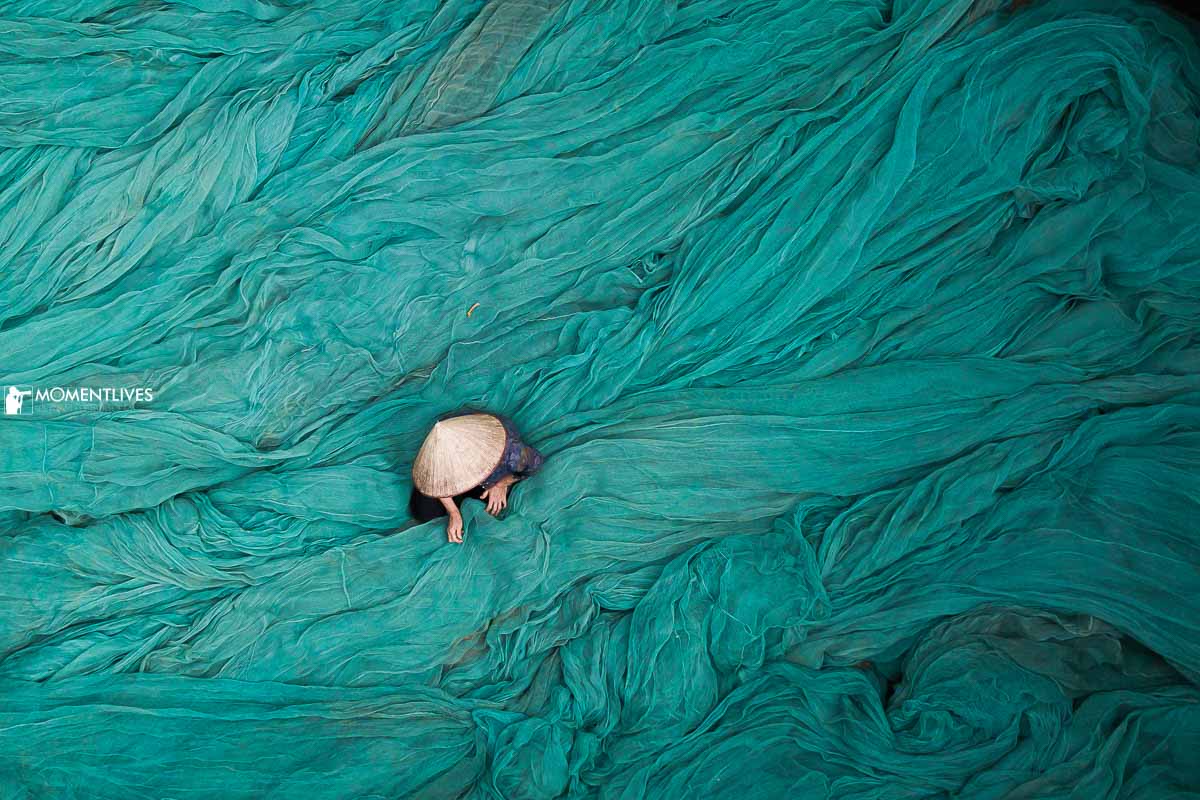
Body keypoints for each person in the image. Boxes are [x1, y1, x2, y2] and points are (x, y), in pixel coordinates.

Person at [409, 410, 543, 543]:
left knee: (489, 512)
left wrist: (501, 483)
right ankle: (457, 504)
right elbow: (436, 480)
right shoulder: (440, 445)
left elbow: (535, 464)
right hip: (456, 469)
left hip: (495, 476)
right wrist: (453, 513)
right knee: (423, 511)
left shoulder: (512, 452)